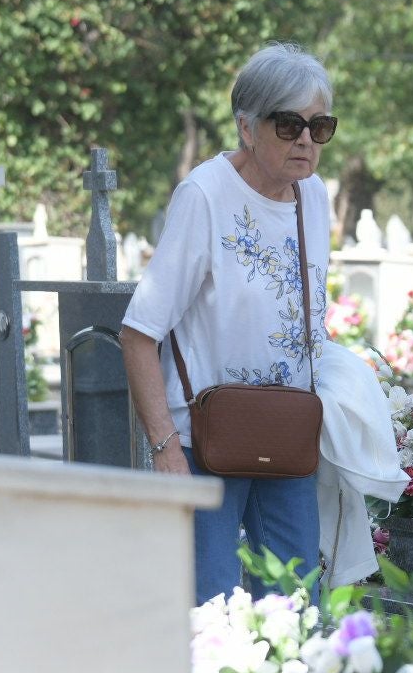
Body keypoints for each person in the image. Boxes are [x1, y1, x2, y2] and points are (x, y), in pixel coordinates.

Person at [119, 43, 335, 603]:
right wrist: (164, 447)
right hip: (203, 442)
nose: (306, 140)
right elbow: (140, 332)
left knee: (295, 610)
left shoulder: (314, 199)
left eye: (319, 126)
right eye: (289, 125)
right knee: (209, 613)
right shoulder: (205, 196)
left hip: (288, 437)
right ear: (247, 126)